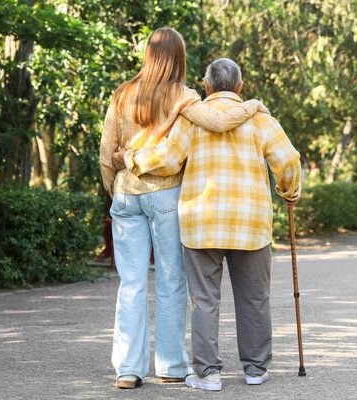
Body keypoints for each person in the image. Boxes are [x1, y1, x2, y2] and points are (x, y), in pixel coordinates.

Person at [99, 29, 269, 390]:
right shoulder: (184, 96)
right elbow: (221, 121)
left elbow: (106, 151)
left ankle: (128, 370)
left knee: (130, 283)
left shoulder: (122, 94)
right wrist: (253, 105)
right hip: (165, 195)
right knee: (171, 281)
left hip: (126, 193)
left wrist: (115, 189)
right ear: (179, 58)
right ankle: (172, 366)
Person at [121, 58, 301, 391]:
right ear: (240, 87)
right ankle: (256, 369)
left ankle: (207, 374)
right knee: (254, 299)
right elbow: (289, 160)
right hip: (250, 224)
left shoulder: (191, 120)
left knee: (204, 301)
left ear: (206, 86)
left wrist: (129, 158)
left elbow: (165, 159)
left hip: (201, 222)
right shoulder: (261, 120)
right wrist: (289, 191)